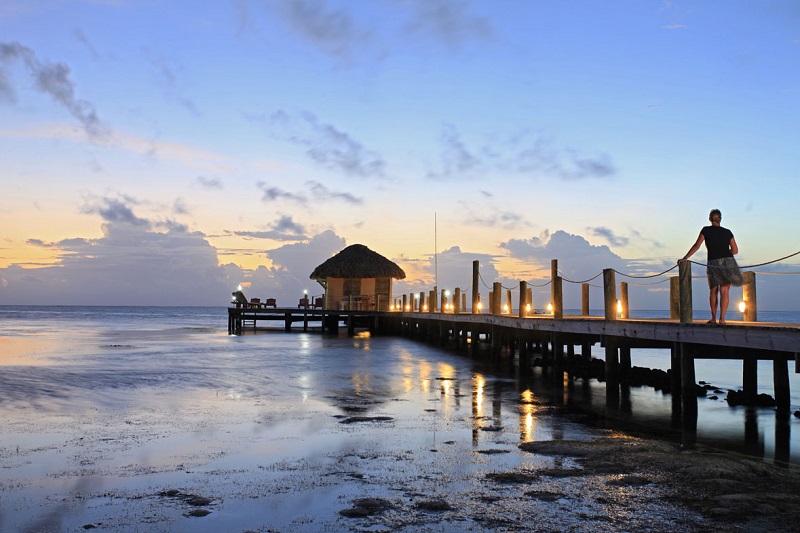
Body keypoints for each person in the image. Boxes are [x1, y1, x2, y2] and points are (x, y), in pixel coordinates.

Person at [679, 209, 743, 324]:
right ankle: (722, 319)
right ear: (720, 219)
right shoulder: (728, 232)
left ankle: (713, 318)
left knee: (713, 290)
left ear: (710, 219)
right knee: (725, 291)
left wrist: (685, 258)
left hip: (713, 261)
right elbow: (735, 250)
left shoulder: (706, 230)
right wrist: (725, 252)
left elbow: (697, 246)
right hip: (728, 262)